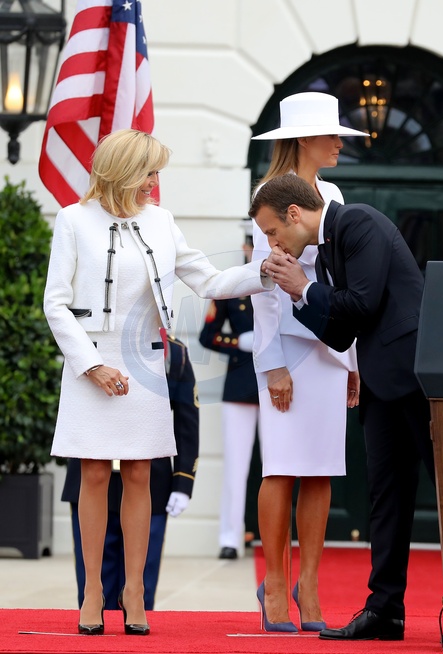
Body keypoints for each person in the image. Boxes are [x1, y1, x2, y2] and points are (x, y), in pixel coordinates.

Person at [43, 128, 274, 636]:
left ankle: (133, 591)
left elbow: (209, 281)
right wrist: (91, 366)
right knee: (94, 475)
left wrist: (263, 271)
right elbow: (55, 303)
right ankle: (92, 592)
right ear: (123, 170)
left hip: (144, 365)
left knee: (142, 475)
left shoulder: (162, 222)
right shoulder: (73, 220)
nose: (154, 181)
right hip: (90, 365)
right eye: (149, 171)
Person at [249, 173, 436, 641]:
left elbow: (363, 304)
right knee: (386, 498)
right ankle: (385, 611)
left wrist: (306, 287)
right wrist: (299, 293)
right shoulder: (329, 247)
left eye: (272, 231)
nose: (272, 243)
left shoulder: (357, 221)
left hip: (418, 378)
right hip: (382, 382)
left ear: (295, 214)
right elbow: (340, 332)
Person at [249, 92, 365, 633]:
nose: (339, 142)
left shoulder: (334, 193)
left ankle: (309, 585)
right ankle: (275, 582)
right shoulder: (268, 195)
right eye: (331, 133)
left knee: (321, 470)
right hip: (287, 351)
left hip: (329, 350)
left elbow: (343, 281)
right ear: (304, 139)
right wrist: (271, 363)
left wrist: (351, 358)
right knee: (280, 467)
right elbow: (264, 289)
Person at [61, 332, 199, 610]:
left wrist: (183, 482)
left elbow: (186, 421)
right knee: (92, 582)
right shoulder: (87, 341)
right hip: (92, 474)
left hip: (150, 480)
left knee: (141, 582)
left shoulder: (174, 352)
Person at [199, 220, 259, 560]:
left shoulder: (285, 280)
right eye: (251, 244)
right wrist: (238, 342)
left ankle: (277, 536)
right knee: (236, 465)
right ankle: (230, 537)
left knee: (280, 465)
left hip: (279, 385)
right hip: (240, 384)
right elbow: (208, 336)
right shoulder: (232, 284)